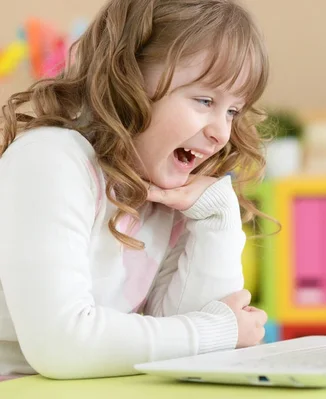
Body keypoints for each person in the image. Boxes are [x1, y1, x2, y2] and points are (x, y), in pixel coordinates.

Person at [0, 0, 271, 380]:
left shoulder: (160, 192)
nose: (221, 133)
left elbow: (191, 356)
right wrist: (221, 330)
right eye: (205, 101)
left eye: (232, 111)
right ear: (127, 78)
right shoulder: (50, 159)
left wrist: (216, 213)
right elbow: (60, 345)